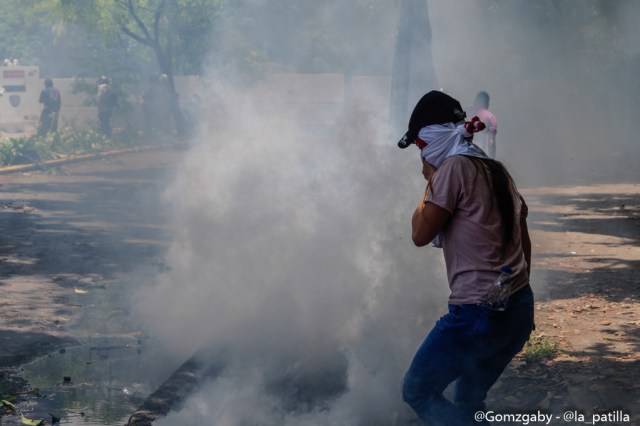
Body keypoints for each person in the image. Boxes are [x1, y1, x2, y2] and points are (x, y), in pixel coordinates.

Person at [398, 91, 534, 426]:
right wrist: (519, 289)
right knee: (469, 400)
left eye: (420, 146)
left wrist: (430, 183)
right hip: (517, 308)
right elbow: (523, 224)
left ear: (432, 139)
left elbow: (419, 235)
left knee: (418, 391)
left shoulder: (452, 169)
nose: (423, 155)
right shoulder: (495, 169)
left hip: (477, 313)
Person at [469, 91, 497, 158]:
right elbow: (491, 142)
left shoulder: (466, 111)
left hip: (462, 151)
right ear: (487, 103)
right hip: (479, 152)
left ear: (475, 101)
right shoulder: (490, 117)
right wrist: (492, 159)